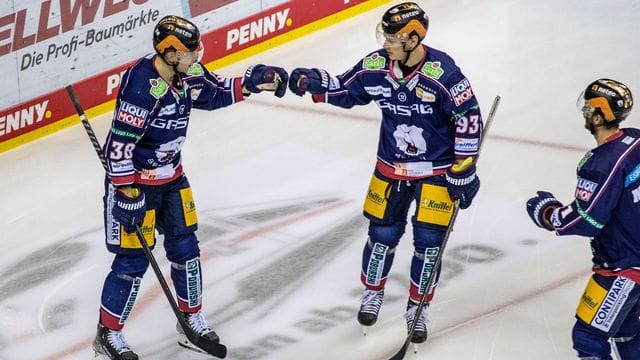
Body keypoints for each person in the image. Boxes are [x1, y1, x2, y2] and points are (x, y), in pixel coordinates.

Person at [92, 15, 288, 360]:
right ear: (169, 53)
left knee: (186, 249)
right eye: (189, 51)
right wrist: (127, 194)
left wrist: (252, 82)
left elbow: (215, 94)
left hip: (173, 179)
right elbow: (118, 149)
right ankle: (107, 334)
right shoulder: (142, 86)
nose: (197, 55)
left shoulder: (187, 73)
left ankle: (190, 319)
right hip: (137, 186)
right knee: (132, 263)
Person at [287, 2, 483, 344]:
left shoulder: (443, 73)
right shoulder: (377, 66)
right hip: (390, 168)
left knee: (429, 244)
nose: (385, 42)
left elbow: (468, 119)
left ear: (413, 38)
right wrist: (313, 83)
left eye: (392, 37)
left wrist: (463, 170)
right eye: (385, 35)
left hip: (436, 172)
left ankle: (417, 309)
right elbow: (346, 89)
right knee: (381, 236)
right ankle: (372, 292)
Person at [526, 78, 640, 360]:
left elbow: (589, 219)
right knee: (626, 330)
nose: (585, 112)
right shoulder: (636, 139)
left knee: (588, 337)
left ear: (600, 115)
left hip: (623, 267)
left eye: (589, 108)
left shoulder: (602, 163)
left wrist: (547, 212)